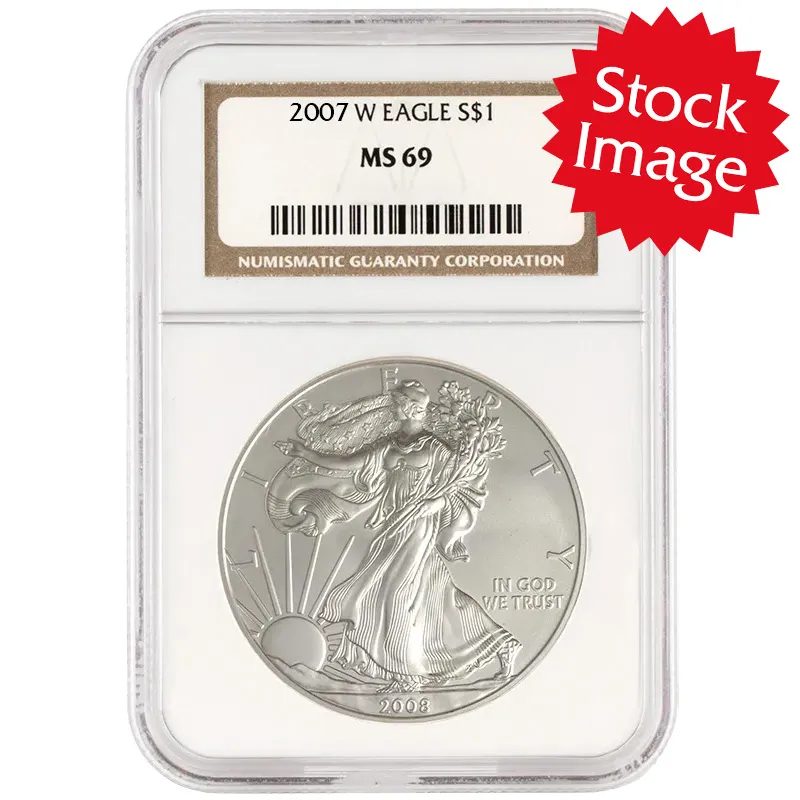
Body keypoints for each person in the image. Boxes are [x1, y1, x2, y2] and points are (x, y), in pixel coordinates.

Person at [273, 379, 521, 692]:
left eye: (399, 403)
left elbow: (459, 488)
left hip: (419, 527)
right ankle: (501, 644)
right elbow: (347, 464)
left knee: (396, 593)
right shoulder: (390, 444)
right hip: (392, 526)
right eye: (397, 403)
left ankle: (408, 674)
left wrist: (434, 503)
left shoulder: (435, 448)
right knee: (434, 595)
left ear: (412, 408)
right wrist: (305, 453)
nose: (394, 408)